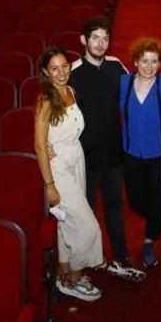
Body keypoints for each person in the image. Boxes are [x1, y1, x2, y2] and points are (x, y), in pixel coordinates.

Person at [69, 16, 146, 282]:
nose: (100, 43)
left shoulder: (117, 67)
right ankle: (89, 257)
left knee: (114, 205)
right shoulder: (72, 72)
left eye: (104, 38)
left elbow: (142, 88)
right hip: (84, 156)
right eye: (95, 38)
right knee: (86, 208)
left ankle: (121, 254)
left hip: (113, 154)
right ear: (83, 40)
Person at [33, 47, 104, 301]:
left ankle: (62, 269)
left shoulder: (71, 91)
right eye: (54, 68)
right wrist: (49, 184)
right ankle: (74, 276)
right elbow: (40, 145)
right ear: (45, 72)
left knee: (68, 222)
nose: (61, 72)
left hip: (77, 157)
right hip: (58, 167)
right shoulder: (45, 100)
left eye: (65, 66)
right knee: (88, 226)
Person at [119, 38, 161, 267]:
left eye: (154, 61)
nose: (149, 66)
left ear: (160, 63)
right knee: (135, 200)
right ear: (135, 62)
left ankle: (149, 240)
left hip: (157, 154)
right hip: (130, 151)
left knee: (155, 198)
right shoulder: (124, 82)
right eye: (144, 61)